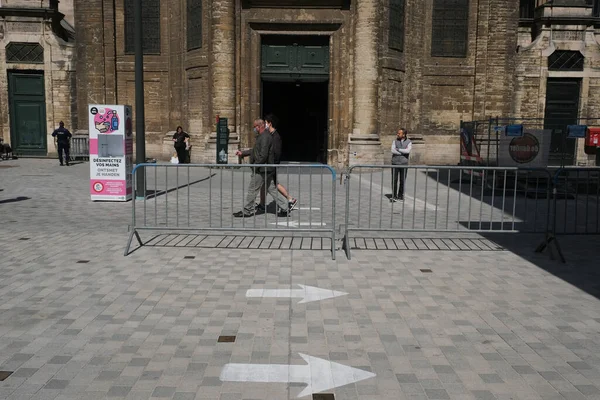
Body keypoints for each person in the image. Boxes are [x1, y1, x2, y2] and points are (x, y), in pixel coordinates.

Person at [233, 119, 289, 218]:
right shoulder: (262, 137)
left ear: (259, 126)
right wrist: (243, 153)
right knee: (271, 189)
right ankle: (285, 207)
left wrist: (256, 165)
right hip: (265, 169)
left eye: (255, 127)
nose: (254, 129)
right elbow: (255, 150)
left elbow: (263, 155)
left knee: (252, 189)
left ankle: (247, 211)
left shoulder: (265, 137)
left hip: (262, 169)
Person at [258, 114, 298, 212]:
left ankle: (289, 200)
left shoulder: (275, 137)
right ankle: (262, 204)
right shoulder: (270, 135)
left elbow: (276, 153)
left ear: (270, 123)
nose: (264, 124)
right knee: (268, 184)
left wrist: (271, 164)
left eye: (265, 122)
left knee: (272, 185)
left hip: (271, 166)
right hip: (269, 165)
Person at [391, 128, 412, 201]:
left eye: (399, 133)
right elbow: (393, 150)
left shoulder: (409, 142)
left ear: (404, 134)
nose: (397, 134)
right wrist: (403, 152)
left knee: (402, 180)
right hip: (395, 163)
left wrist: (398, 149)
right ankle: (394, 195)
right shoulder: (395, 141)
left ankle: (400, 195)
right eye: (397, 133)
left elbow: (408, 151)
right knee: (394, 180)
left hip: (404, 163)